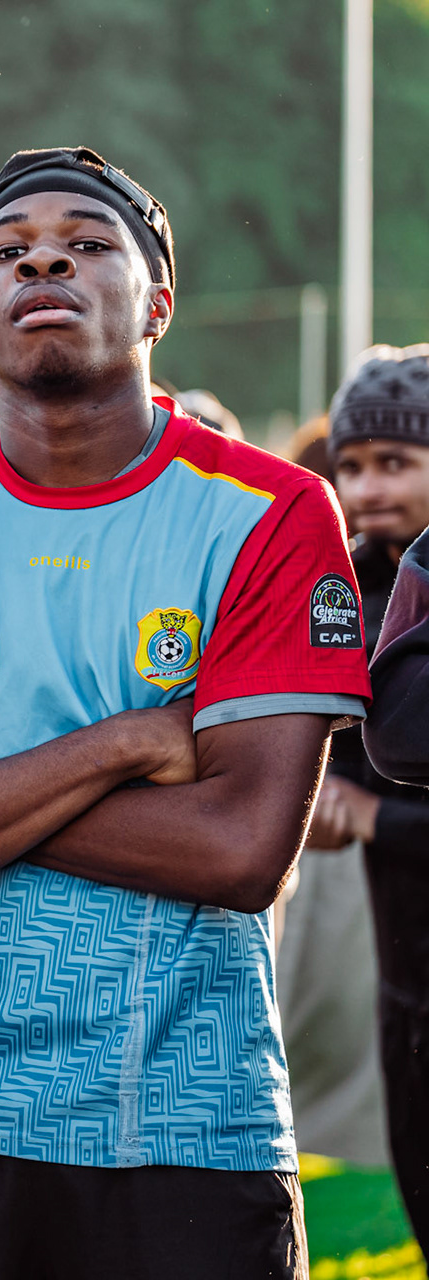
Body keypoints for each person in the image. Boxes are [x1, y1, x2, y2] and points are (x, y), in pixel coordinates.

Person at [0, 147, 369, 1279]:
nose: (44, 256)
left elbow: (243, 847)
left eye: (88, 242)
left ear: (157, 301)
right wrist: (117, 747)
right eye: (7, 251)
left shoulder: (272, 514)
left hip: (186, 1122)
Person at [318, 346, 429, 1234]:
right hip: (405, 972)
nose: (365, 487)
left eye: (395, 462)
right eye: (349, 466)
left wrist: (373, 816)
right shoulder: (350, 589)